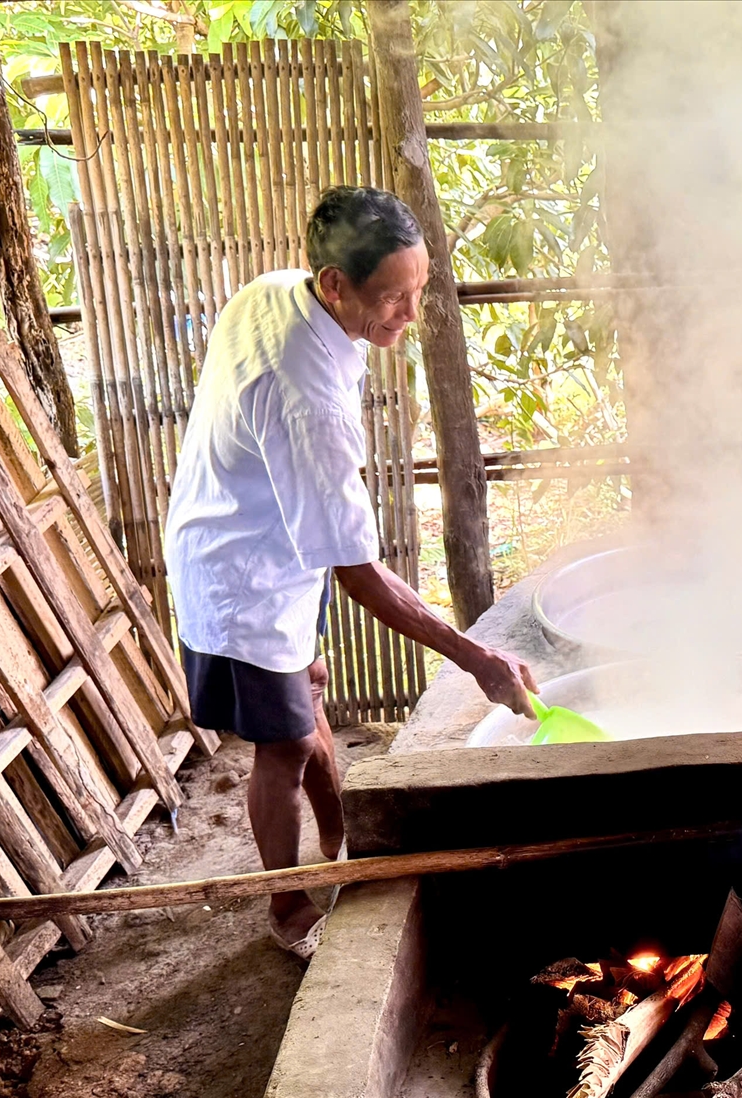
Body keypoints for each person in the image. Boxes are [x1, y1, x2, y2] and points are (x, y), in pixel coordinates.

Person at [164, 186, 536, 958]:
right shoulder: (307, 402)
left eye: (418, 289)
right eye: (392, 297)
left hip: (268, 535)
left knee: (307, 695)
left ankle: (342, 842)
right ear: (335, 284)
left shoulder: (279, 290)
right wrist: (477, 658)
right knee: (285, 744)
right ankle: (287, 908)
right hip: (241, 573)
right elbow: (361, 577)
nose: (410, 312)